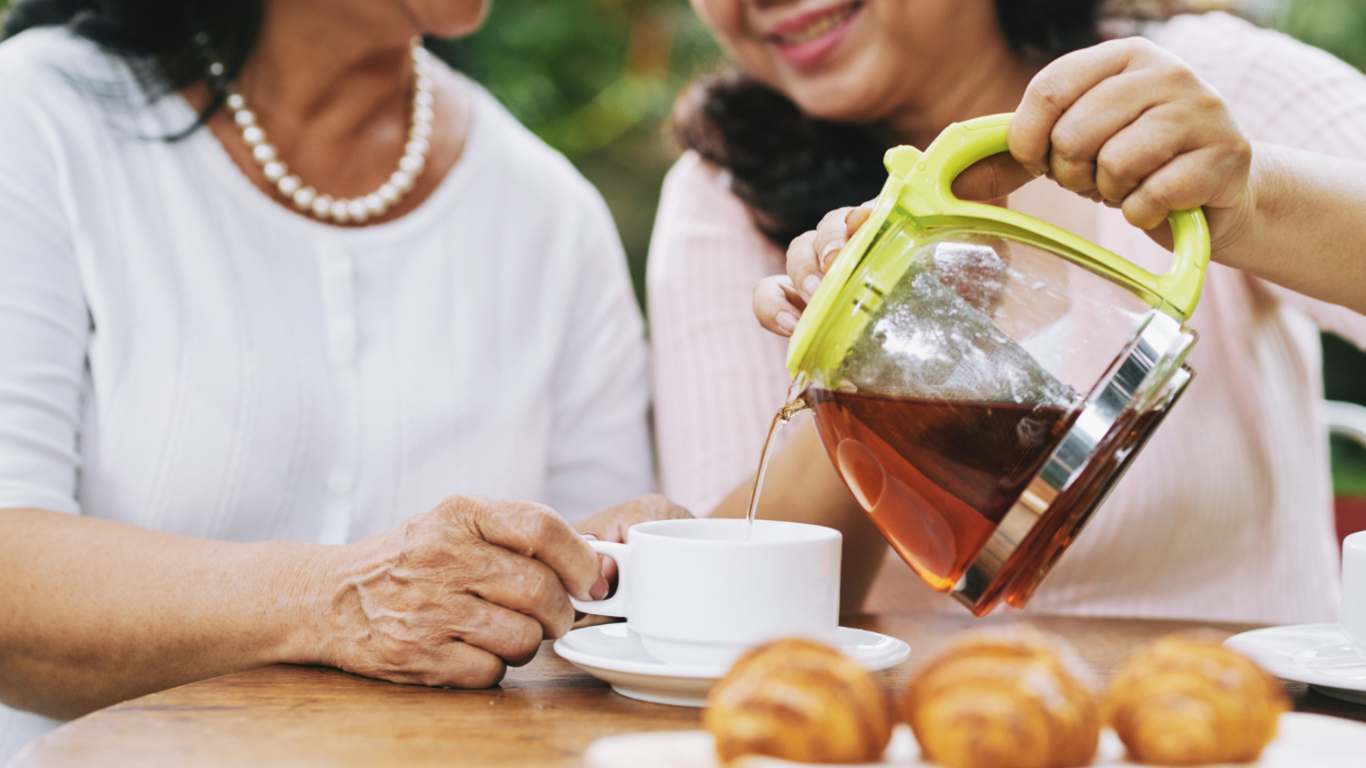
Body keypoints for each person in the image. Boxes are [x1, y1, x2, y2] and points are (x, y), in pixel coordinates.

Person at [0, 0, 688, 758]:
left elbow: (585, 636)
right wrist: (332, 600)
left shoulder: (552, 216)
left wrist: (612, 572)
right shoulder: (38, 118)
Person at [649, 1, 1366, 624]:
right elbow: (730, 607)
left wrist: (1252, 201)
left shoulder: (1203, 83)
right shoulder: (721, 193)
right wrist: (874, 338)